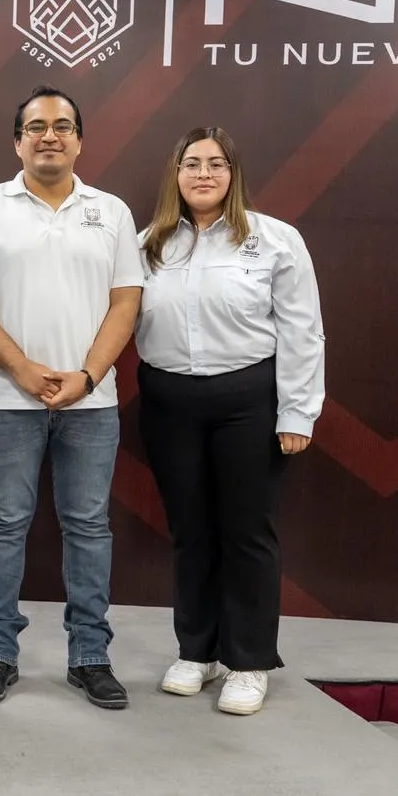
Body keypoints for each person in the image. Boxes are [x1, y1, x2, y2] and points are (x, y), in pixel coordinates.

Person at [0, 85, 142, 710]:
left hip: (91, 401)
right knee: (3, 525)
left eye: (62, 125)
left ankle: (90, 656)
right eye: (35, 126)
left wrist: (86, 376)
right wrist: (23, 369)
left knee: (88, 526)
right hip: (4, 397)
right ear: (18, 142)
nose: (49, 135)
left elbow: (126, 303)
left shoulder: (111, 212)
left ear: (80, 140)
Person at [135, 126, 325, 716]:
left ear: (233, 174)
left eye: (216, 164)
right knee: (190, 530)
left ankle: (248, 661)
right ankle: (198, 651)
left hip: (248, 399)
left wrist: (298, 411)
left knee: (247, 531)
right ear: (175, 174)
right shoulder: (146, 245)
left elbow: (303, 330)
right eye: (191, 163)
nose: (203, 174)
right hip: (168, 400)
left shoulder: (275, 241)